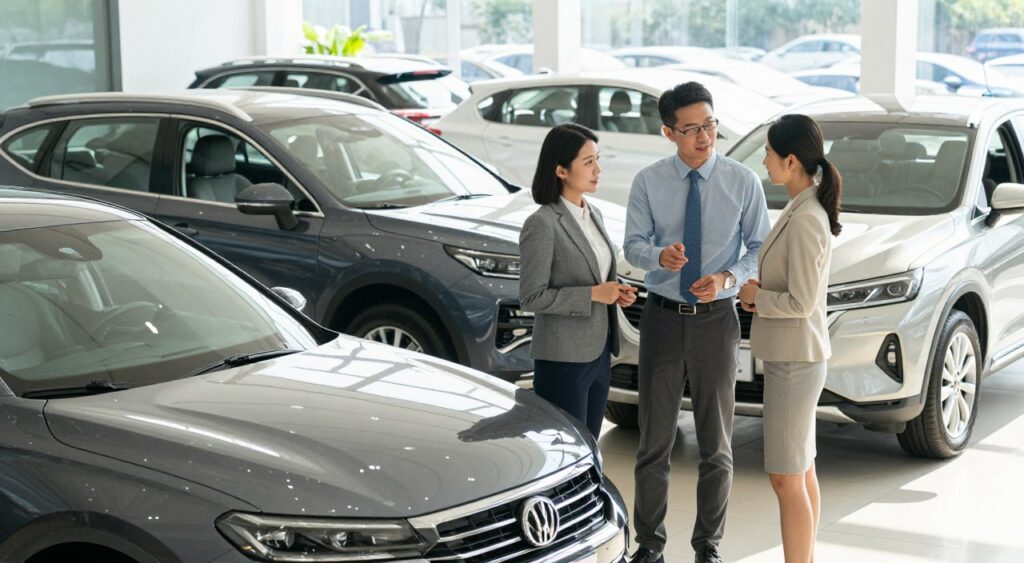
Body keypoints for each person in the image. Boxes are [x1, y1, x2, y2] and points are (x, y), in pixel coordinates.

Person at [624, 82, 771, 563]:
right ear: (669, 132)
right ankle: (649, 545)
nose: (705, 136)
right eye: (691, 129)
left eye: (709, 124)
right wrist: (658, 257)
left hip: (717, 321)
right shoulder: (648, 181)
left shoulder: (742, 181)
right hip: (662, 321)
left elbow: (757, 249)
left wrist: (729, 276)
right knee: (654, 444)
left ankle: (708, 546)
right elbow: (633, 246)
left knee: (717, 445)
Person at [738, 114, 841, 563]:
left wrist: (758, 297)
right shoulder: (803, 207)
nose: (764, 160)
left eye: (769, 153)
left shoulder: (806, 219)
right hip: (796, 357)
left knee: (785, 477)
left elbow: (800, 301)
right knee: (801, 469)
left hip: (795, 361)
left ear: (792, 160)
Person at [519, 123, 637, 438]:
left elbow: (597, 275)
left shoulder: (592, 213)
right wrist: (593, 295)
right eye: (588, 162)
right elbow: (531, 297)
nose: (598, 169)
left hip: (598, 354)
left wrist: (614, 293)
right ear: (560, 170)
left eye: (597, 159)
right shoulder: (542, 224)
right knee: (566, 450)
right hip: (562, 359)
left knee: (591, 445)